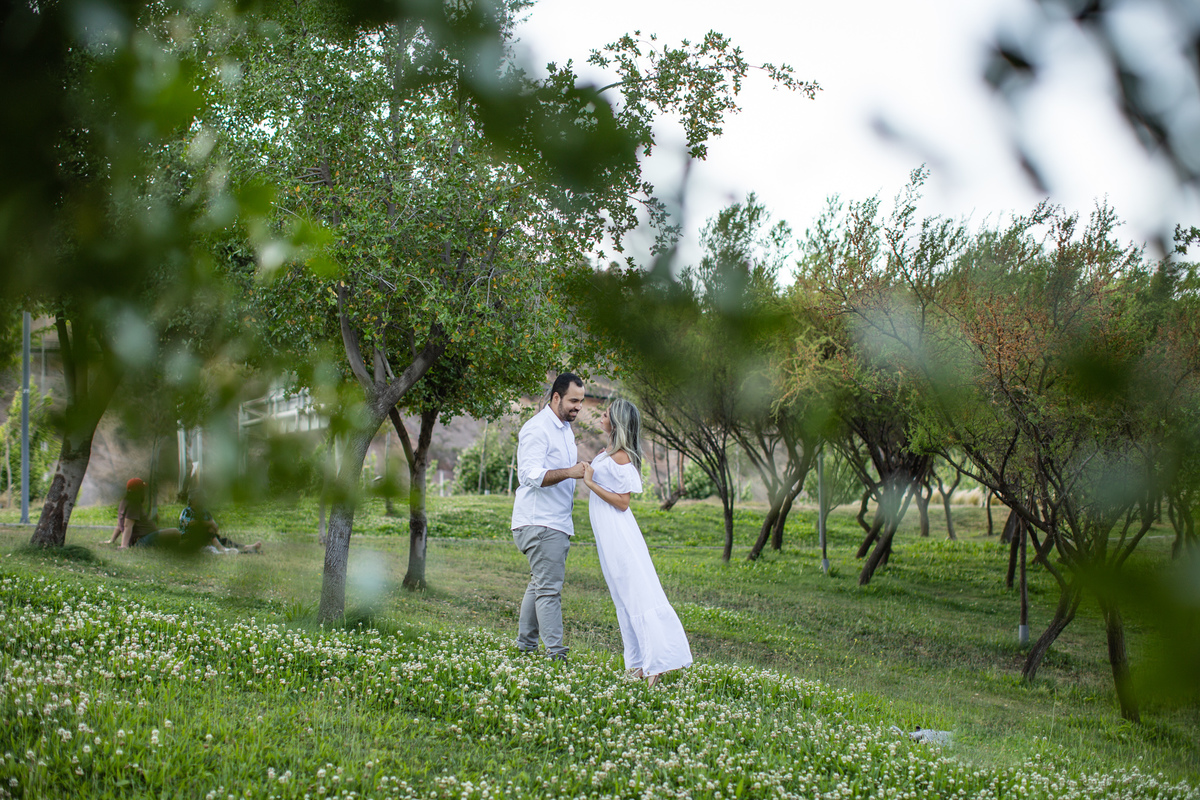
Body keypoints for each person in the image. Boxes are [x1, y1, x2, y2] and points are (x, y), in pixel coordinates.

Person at [582, 399, 693, 687]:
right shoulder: (610, 452)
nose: (601, 416)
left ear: (617, 423)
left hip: (619, 534)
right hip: (607, 534)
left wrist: (591, 484)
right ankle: (638, 663)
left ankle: (656, 663)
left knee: (636, 595)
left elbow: (623, 502)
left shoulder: (621, 457)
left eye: (606, 414)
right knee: (623, 598)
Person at [511, 372, 587, 660]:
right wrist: (570, 472)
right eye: (573, 401)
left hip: (554, 522)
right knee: (548, 590)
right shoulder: (538, 428)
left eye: (581, 401)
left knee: (539, 585)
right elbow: (529, 475)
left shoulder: (564, 429)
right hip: (540, 522)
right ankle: (556, 654)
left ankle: (525, 647)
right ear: (556, 397)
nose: (578, 407)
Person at [103, 478, 183, 549]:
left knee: (168, 535)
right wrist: (124, 546)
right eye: (142, 489)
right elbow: (127, 525)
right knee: (175, 532)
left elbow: (119, 525)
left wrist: (111, 540)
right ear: (138, 491)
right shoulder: (133, 503)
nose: (144, 492)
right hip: (141, 540)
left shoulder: (124, 502)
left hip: (145, 538)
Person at [178, 489, 262, 554]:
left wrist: (211, 527)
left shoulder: (204, 512)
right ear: (193, 500)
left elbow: (215, 526)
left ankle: (245, 547)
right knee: (208, 533)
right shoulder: (187, 511)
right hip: (191, 539)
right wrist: (209, 524)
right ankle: (223, 550)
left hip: (208, 537)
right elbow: (192, 524)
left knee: (223, 540)